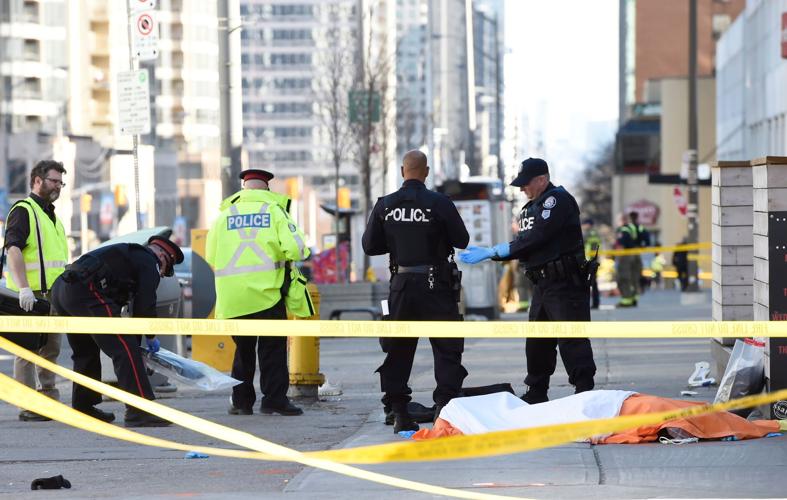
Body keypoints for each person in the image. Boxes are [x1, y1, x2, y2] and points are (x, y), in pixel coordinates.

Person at [459, 157, 596, 404]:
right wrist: (497, 253)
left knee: (572, 339)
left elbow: (537, 237)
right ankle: (537, 390)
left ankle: (584, 391)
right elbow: (525, 245)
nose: (522, 189)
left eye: (526, 183)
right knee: (537, 343)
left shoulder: (557, 201)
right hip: (542, 284)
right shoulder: (530, 208)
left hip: (564, 283)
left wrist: (495, 250)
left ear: (542, 179)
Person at [362, 150, 469, 433]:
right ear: (427, 171)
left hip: (402, 285)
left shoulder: (385, 205)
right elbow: (462, 239)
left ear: (402, 171)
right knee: (446, 349)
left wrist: (399, 238)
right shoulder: (439, 203)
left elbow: (370, 246)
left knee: (398, 350)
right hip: (436, 286)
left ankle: (399, 412)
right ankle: (443, 411)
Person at [206, 168, 310, 417]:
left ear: (243, 188)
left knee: (243, 352)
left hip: (232, 299)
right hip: (267, 294)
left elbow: (210, 255)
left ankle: (241, 403)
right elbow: (297, 250)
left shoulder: (224, 215)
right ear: (266, 188)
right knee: (271, 349)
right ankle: (274, 400)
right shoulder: (274, 211)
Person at [50, 236, 184, 427]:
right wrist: (151, 337)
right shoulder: (149, 261)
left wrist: (137, 345)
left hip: (63, 290)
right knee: (124, 348)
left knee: (85, 352)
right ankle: (139, 410)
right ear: (163, 256)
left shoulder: (128, 256)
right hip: (86, 290)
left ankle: (83, 408)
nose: (161, 275)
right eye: (165, 270)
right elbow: (145, 307)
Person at [3, 160, 69, 422]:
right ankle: (29, 405)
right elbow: (14, 249)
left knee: (50, 349)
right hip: (30, 295)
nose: (58, 186)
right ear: (37, 181)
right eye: (54, 181)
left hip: (52, 295)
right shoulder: (24, 210)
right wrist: (23, 289)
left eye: (61, 183)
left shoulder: (51, 215)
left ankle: (48, 399)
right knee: (27, 351)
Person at [614, 213, 639, 307]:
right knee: (632, 277)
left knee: (623, 278)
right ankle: (633, 298)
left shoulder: (623, 230)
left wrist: (618, 257)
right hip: (633, 254)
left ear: (622, 220)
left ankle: (626, 300)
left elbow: (621, 245)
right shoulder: (632, 228)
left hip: (625, 256)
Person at [581, 218, 601, 309]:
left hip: (589, 261)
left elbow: (585, 245)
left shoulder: (589, 234)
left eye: (585, 224)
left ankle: (593, 303)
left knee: (589, 282)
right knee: (593, 282)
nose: (583, 226)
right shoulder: (595, 234)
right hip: (592, 261)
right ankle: (595, 303)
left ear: (589, 224)